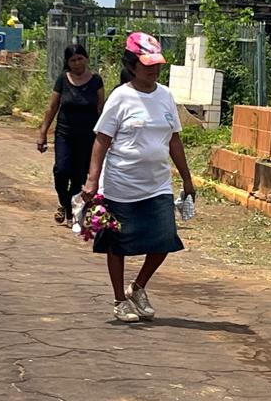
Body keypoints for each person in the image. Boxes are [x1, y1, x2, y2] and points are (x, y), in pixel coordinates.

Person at [81, 32, 196, 323]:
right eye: (147, 65)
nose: (153, 70)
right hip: (121, 184)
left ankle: (139, 286)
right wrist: (93, 180)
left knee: (164, 238)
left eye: (157, 64)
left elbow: (174, 140)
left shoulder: (166, 96)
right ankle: (120, 300)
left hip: (157, 183)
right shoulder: (120, 97)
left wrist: (187, 178)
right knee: (117, 242)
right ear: (132, 65)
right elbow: (102, 140)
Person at [37, 44, 105, 224]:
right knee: (61, 170)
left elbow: (101, 109)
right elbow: (52, 107)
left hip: (87, 137)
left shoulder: (96, 81)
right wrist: (43, 132)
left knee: (78, 176)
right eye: (73, 60)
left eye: (80, 59)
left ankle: (72, 212)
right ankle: (64, 203)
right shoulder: (62, 80)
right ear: (67, 62)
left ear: (86, 58)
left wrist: (105, 137)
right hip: (64, 134)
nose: (77, 63)